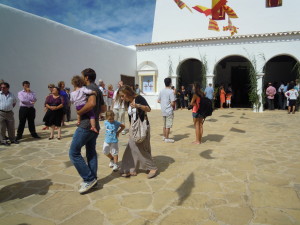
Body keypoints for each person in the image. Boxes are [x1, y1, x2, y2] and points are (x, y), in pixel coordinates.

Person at [69, 68, 105, 194]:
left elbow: (91, 104)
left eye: (82, 76)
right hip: (94, 125)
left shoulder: (90, 89)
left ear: (86, 78)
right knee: (91, 152)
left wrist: (79, 112)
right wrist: (94, 115)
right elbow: (103, 108)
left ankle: (89, 178)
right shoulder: (98, 89)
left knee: (73, 153)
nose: (82, 78)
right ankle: (93, 180)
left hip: (85, 126)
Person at [119, 85, 158, 178]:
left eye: (122, 96)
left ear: (127, 93)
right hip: (134, 127)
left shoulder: (139, 98)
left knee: (141, 148)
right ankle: (130, 169)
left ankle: (152, 167)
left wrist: (138, 105)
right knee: (131, 148)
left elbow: (148, 109)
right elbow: (130, 117)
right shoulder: (127, 102)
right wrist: (130, 129)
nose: (122, 98)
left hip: (142, 127)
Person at [157, 78, 175, 143]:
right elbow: (173, 103)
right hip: (169, 110)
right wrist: (169, 104)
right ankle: (167, 138)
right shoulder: (171, 91)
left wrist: (163, 103)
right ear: (170, 83)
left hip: (163, 110)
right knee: (168, 125)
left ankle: (164, 136)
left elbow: (158, 100)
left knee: (164, 125)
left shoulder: (161, 91)